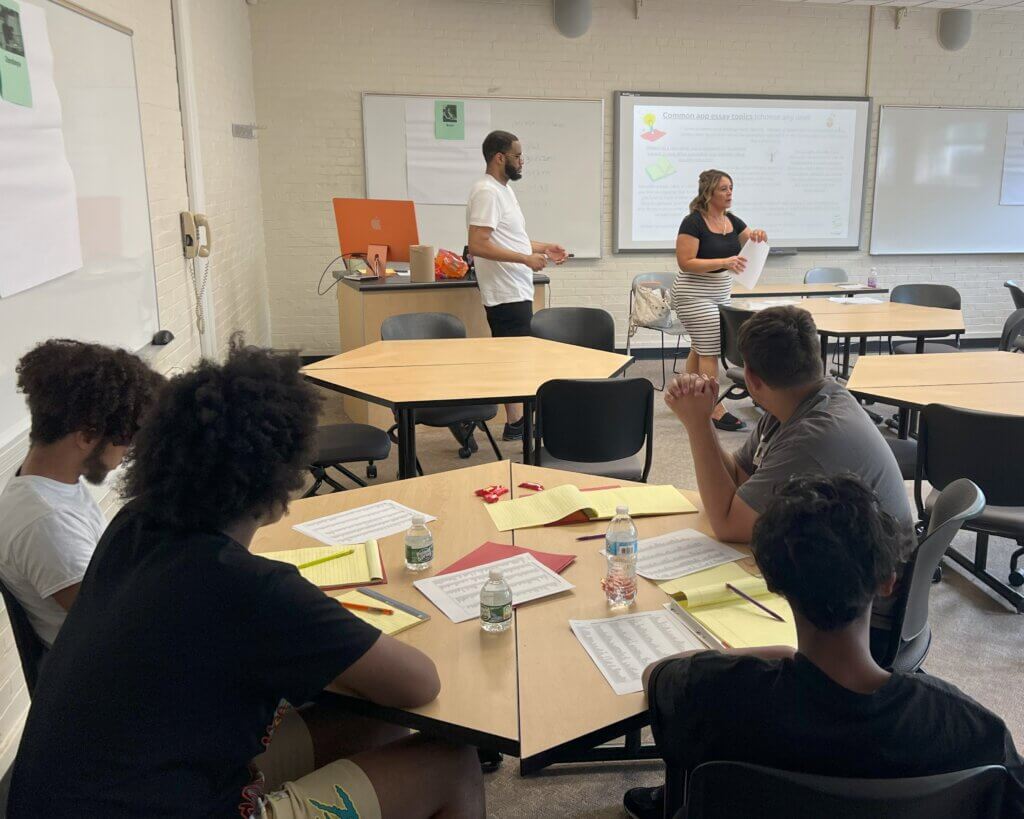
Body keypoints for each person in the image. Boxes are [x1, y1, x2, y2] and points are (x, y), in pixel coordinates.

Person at [7, 338, 484, 819]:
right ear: (284, 480)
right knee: (452, 759)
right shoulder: (251, 587)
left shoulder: (133, 525)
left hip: (72, 791)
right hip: (156, 802)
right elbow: (419, 684)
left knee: (371, 724)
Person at [624, 474, 1024, 819]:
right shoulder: (967, 727)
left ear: (771, 580)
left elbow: (655, 675)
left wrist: (776, 655)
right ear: (888, 581)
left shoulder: (712, 693)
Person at [664, 305, 914, 546]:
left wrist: (697, 425)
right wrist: (704, 420)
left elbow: (728, 525)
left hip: (872, 582)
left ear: (750, 378)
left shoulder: (812, 438)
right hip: (842, 555)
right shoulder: (796, 400)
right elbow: (742, 479)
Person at [0, 339, 163, 647]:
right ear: (87, 436)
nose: (127, 453)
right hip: (114, 678)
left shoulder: (53, 485)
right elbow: (121, 627)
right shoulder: (46, 522)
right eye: (126, 440)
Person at [467, 129, 567, 441]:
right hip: (504, 291)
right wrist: (525, 259)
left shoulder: (502, 190)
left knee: (513, 358)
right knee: (514, 360)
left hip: (515, 288)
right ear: (500, 157)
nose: (522, 161)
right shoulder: (487, 192)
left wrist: (542, 247)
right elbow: (477, 245)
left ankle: (515, 422)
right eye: (517, 155)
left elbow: (511, 238)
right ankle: (516, 423)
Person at [672, 168, 767, 432]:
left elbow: (753, 242)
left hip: (720, 293)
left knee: (701, 346)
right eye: (724, 189)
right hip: (692, 293)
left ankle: (687, 398)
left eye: (731, 188)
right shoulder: (693, 222)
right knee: (711, 348)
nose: (729, 193)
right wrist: (725, 262)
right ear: (709, 192)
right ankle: (712, 407)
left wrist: (759, 235)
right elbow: (686, 262)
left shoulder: (732, 221)